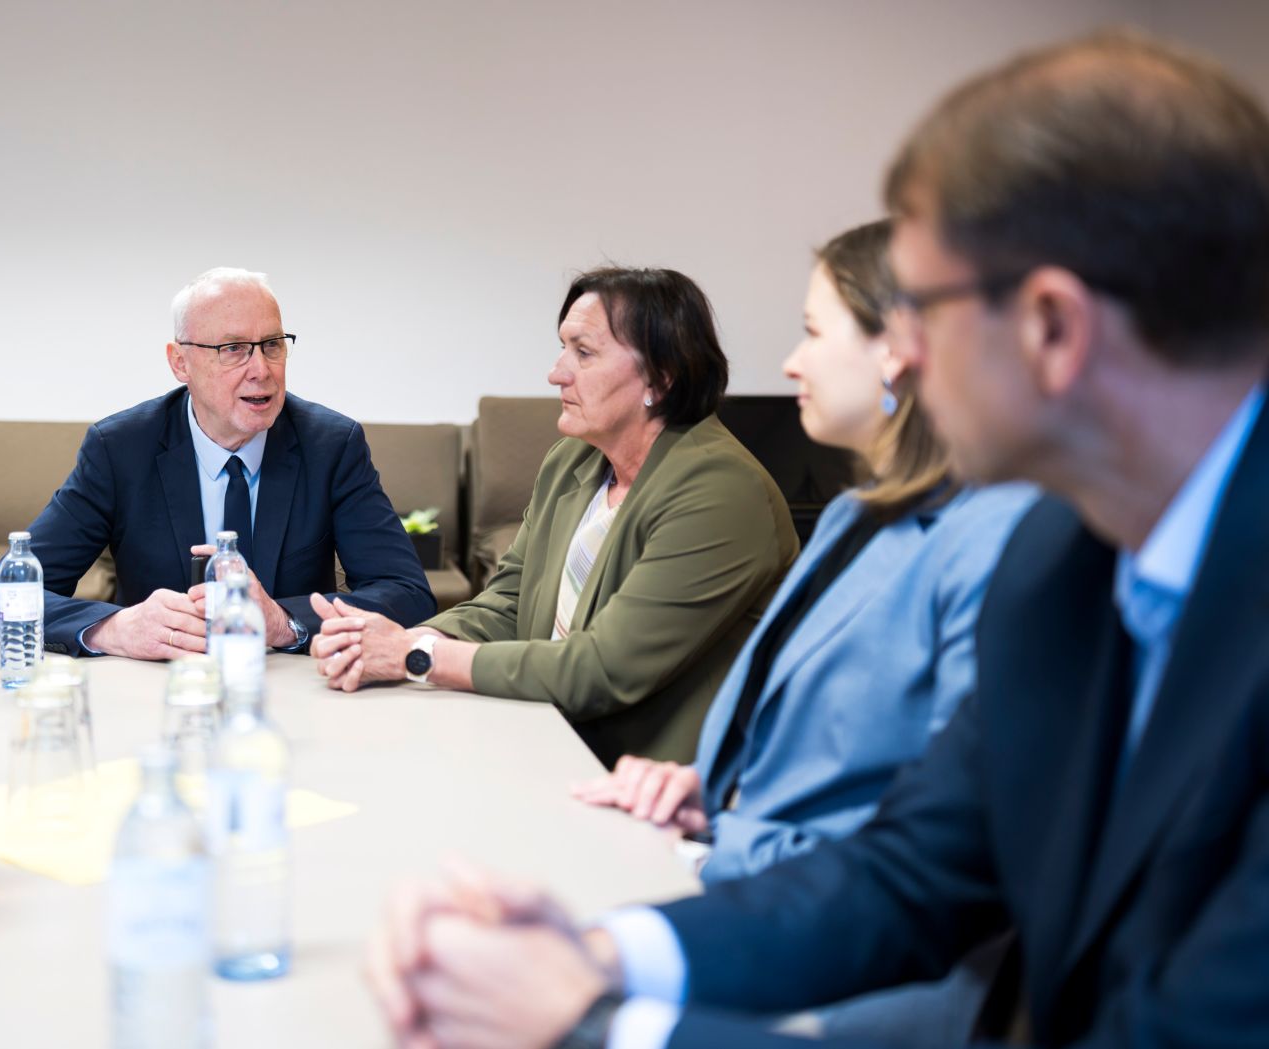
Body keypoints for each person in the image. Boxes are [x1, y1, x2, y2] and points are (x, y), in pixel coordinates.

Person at [366, 30, 1269, 1049]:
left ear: (1051, 329)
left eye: (918, 309)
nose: (901, 355)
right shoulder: (1060, 559)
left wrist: (595, 1023)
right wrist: (599, 953)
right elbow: (911, 872)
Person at [573, 221, 1035, 890]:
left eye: (815, 332)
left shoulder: (998, 541)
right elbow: (840, 759)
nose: (793, 362)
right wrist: (715, 796)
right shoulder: (854, 517)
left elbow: (948, 838)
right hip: (750, 867)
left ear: (899, 349)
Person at [312, 268, 798, 766]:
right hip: (545, 737)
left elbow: (603, 669)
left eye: (583, 353)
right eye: (563, 347)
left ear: (662, 375)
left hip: (650, 784)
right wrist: (402, 640)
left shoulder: (720, 491)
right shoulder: (573, 460)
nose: (556, 372)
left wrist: (417, 658)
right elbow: (508, 602)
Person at [0, 267, 433, 659]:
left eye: (272, 344)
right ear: (180, 363)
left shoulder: (330, 445)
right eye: (233, 349)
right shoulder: (121, 449)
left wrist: (286, 621)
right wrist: (114, 627)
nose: (261, 369)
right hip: (157, 693)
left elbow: (407, 593)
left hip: (293, 685)